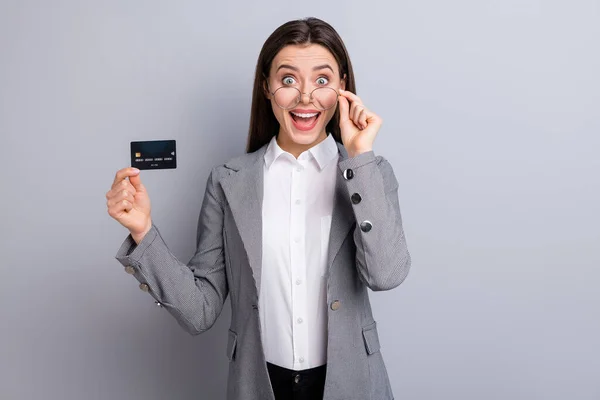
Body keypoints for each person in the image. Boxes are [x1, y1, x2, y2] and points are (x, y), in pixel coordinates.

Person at [106, 17, 411, 400]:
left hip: (352, 383)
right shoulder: (228, 181)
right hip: (258, 383)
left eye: (321, 80)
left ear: (342, 87)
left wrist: (360, 155)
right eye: (287, 80)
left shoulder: (369, 175)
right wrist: (144, 231)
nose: (304, 97)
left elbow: (386, 274)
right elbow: (199, 310)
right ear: (267, 87)